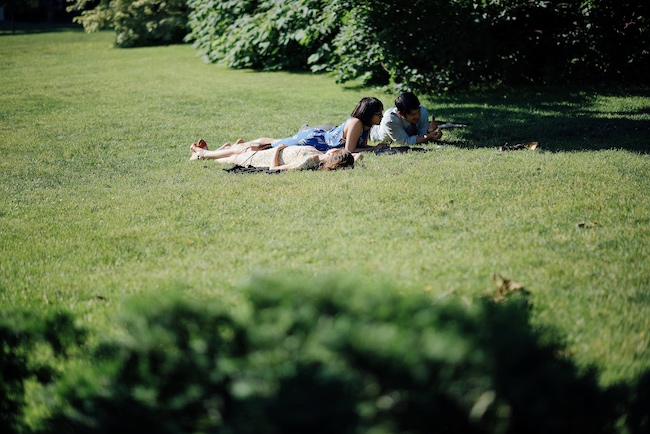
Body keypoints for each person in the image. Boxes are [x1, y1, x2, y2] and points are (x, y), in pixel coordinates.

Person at [269, 97, 389, 153]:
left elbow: (360, 147)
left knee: (279, 143)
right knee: (276, 145)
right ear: (368, 114)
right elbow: (350, 150)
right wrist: (374, 148)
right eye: (379, 114)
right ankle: (253, 145)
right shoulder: (356, 123)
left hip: (324, 139)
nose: (381, 117)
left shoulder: (367, 126)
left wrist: (378, 146)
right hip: (316, 140)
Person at [189, 140, 356, 171]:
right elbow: (357, 157)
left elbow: (274, 168)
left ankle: (202, 154)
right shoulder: (318, 155)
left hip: (260, 159)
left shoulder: (309, 161)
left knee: (235, 155)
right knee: (240, 148)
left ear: (333, 153)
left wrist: (278, 150)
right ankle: (207, 153)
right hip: (264, 153)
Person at [370, 92, 442, 146]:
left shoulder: (422, 111)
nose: (417, 116)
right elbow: (405, 142)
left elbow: (422, 136)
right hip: (374, 133)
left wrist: (430, 132)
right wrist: (427, 137)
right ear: (401, 114)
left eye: (418, 112)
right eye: (413, 114)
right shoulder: (390, 120)